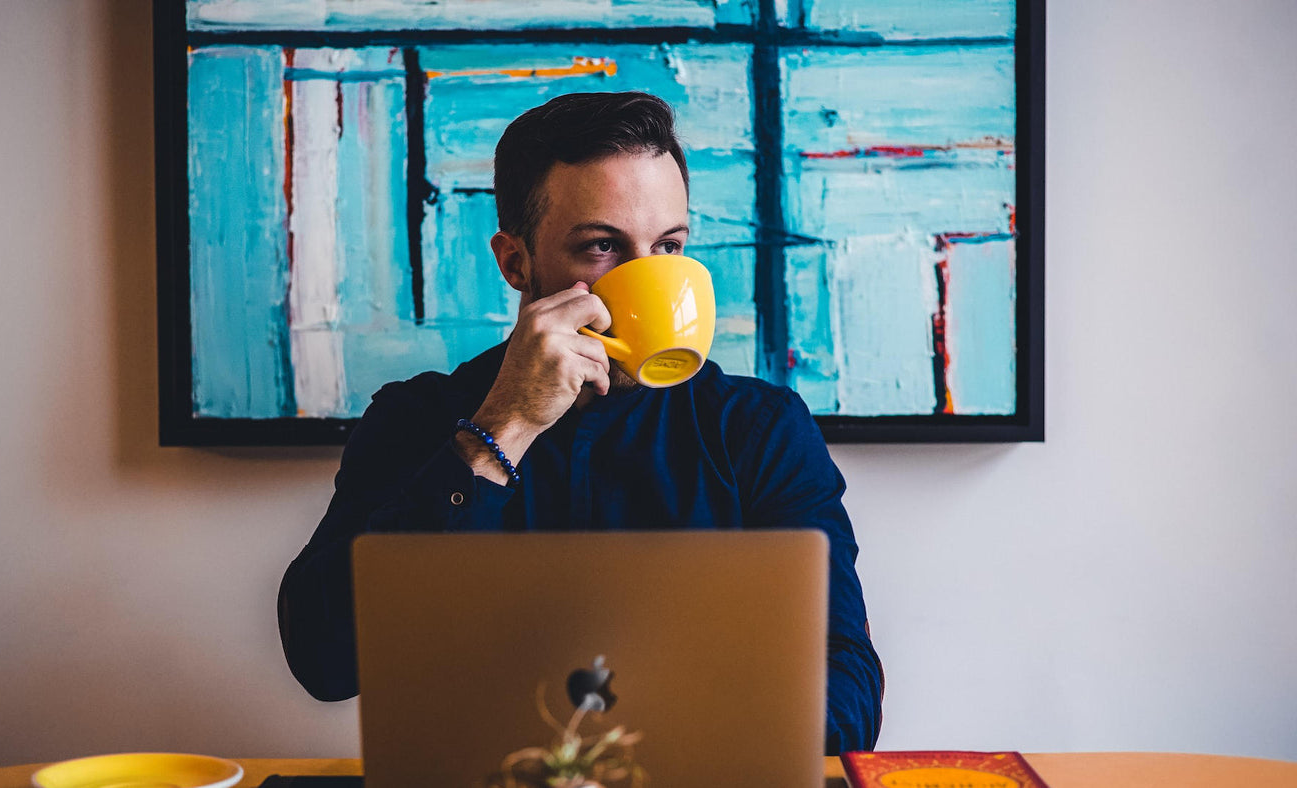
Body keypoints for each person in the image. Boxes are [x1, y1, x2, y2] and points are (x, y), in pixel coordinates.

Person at [278, 91, 883, 753]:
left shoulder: (758, 431)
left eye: (669, 246)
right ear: (516, 262)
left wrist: (693, 744)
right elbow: (325, 660)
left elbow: (848, 686)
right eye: (603, 247)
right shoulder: (417, 420)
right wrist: (499, 430)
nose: (647, 278)